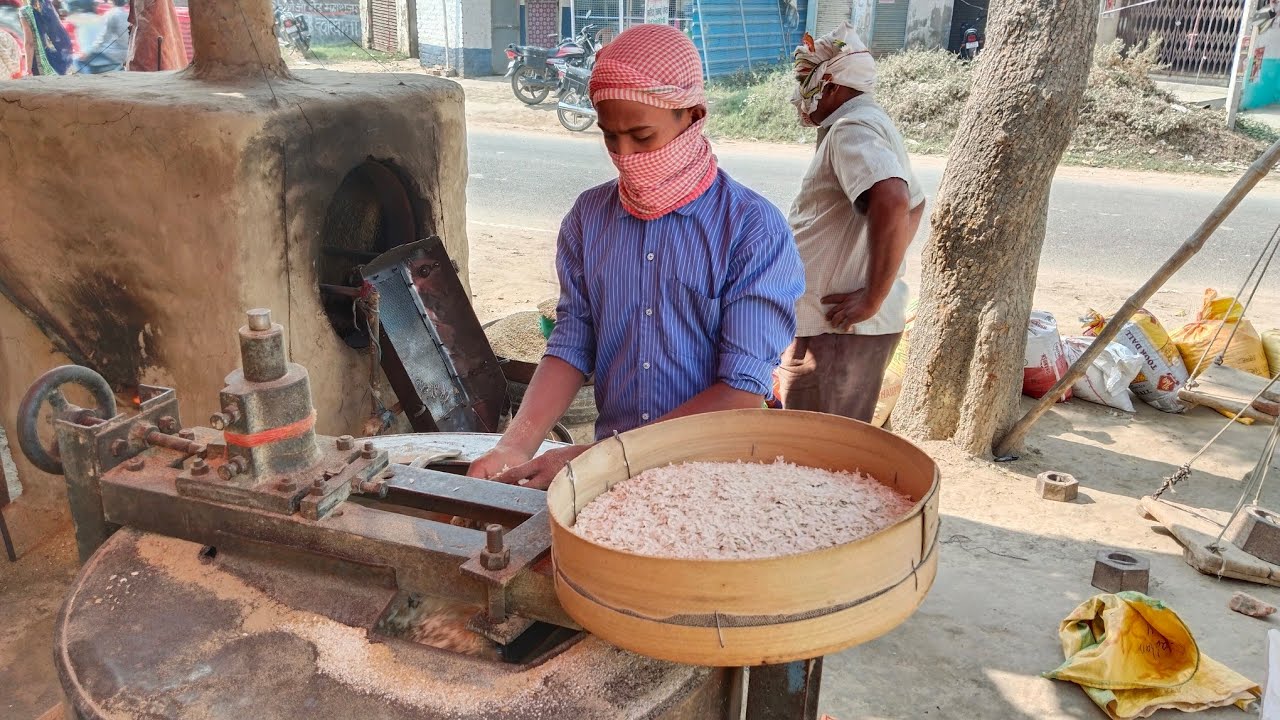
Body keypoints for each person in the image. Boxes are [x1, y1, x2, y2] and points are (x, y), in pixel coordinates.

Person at [467, 23, 804, 489]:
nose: (625, 155)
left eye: (642, 137)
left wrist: (603, 458)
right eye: (610, 137)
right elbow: (572, 344)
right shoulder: (589, 219)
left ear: (692, 116)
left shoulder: (751, 229)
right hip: (614, 480)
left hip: (716, 475)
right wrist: (515, 445)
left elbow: (741, 390)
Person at [776, 21, 926, 422]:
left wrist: (872, 296)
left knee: (814, 446)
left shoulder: (851, 128)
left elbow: (894, 199)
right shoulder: (867, 121)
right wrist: (880, 281)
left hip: (836, 332)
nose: (797, 93)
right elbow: (914, 204)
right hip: (842, 332)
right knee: (824, 441)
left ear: (831, 85)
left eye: (804, 81)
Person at [73, 0, 126, 73]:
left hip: (113, 53)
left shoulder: (110, 14)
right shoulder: (127, 14)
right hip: (126, 52)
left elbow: (104, 37)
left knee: (77, 60)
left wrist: (90, 52)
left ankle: (89, 77)